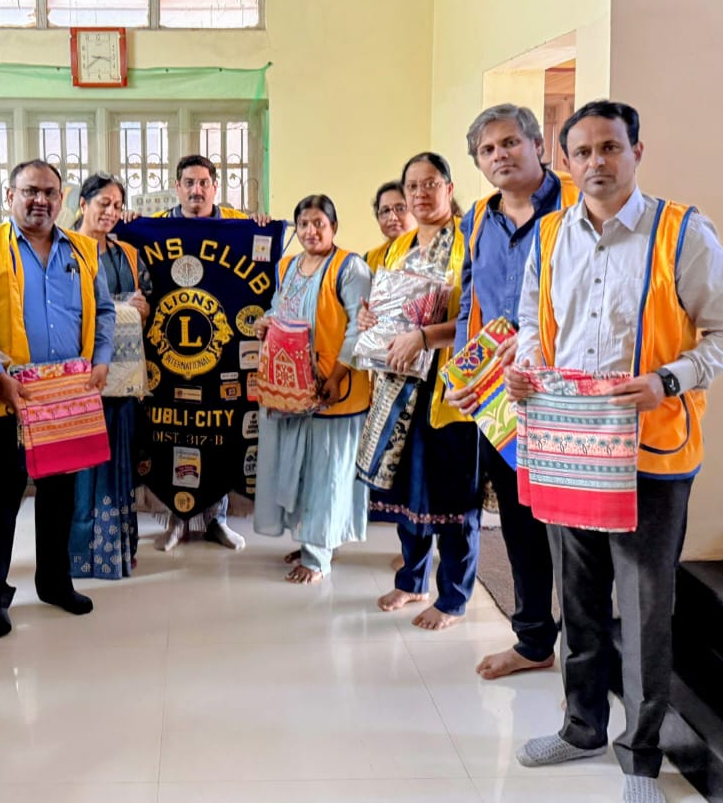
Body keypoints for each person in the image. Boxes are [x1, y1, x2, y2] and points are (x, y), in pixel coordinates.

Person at [507, 100, 723, 803]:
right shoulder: (551, 233)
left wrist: (668, 379)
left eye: (610, 148)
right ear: (565, 162)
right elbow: (534, 319)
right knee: (578, 600)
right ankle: (582, 724)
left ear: (638, 151)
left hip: (651, 451)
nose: (596, 163)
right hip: (569, 447)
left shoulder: (681, 231)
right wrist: (527, 364)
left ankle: (640, 758)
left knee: (644, 608)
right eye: (581, 152)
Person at [445, 103, 581, 681]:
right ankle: (532, 640)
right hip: (502, 397)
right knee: (521, 517)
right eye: (487, 150)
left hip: (566, 388)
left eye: (509, 143)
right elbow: (469, 303)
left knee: (575, 525)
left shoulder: (576, 208)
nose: (500, 156)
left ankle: (588, 644)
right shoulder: (477, 218)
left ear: (536, 144)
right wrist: (464, 373)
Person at [0, 159, 116, 638]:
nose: (42, 201)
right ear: (10, 195)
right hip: (9, 396)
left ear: (63, 197)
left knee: (59, 497)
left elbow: (106, 311)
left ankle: (54, 581)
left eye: (51, 192)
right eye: (30, 191)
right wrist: (1, 374)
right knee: (3, 500)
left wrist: (102, 360)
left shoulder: (84, 251)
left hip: (67, 397)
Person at [356, 151, 481, 630]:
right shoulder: (393, 249)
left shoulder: (471, 242)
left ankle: (453, 596)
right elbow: (380, 309)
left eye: (431, 184)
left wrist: (425, 337)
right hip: (396, 386)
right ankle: (412, 579)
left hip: (448, 388)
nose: (421, 194)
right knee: (407, 490)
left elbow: (478, 315)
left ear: (449, 188)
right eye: (413, 186)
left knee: (451, 494)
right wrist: (369, 319)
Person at [147, 153, 267, 552]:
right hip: (168, 360)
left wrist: (263, 228)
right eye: (188, 182)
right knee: (174, 434)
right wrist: (128, 222)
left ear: (215, 187)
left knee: (221, 436)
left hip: (225, 361)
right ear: (177, 187)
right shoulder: (158, 227)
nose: (196, 190)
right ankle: (177, 522)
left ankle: (216, 519)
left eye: (203, 182)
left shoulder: (235, 222)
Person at [253, 194, 372, 583]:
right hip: (292, 389)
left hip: (333, 392)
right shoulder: (287, 265)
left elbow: (359, 327)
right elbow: (280, 307)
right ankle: (311, 539)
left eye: (319, 223)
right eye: (303, 223)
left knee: (327, 473)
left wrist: (336, 376)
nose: (310, 231)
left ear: (333, 227)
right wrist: (267, 322)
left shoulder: (349, 267)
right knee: (299, 472)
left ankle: (318, 555)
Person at [70, 172, 151, 579]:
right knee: (80, 469)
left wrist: (139, 307)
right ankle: (79, 555)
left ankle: (117, 550)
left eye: (117, 205)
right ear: (82, 203)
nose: (111, 211)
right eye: (103, 202)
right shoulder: (64, 249)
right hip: (79, 380)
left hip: (121, 381)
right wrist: (121, 305)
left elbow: (146, 306)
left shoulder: (129, 255)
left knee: (118, 464)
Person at [367, 180, 418, 272]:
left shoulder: (432, 250)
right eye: (385, 211)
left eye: (400, 208)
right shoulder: (370, 258)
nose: (392, 217)